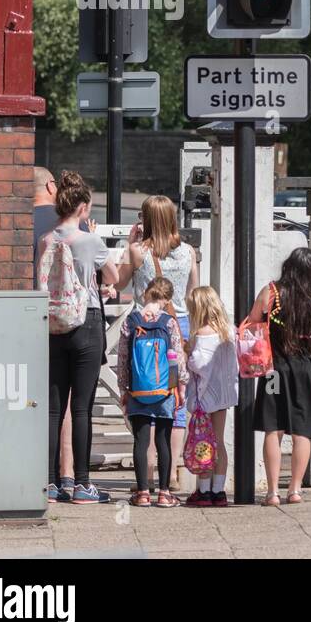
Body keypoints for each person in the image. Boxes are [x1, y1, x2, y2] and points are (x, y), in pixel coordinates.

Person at [41, 171, 118, 505]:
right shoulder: (91, 241)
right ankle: (83, 485)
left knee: (53, 410)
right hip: (86, 322)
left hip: (53, 325)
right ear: (84, 208)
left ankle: (49, 484)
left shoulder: (47, 239)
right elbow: (114, 278)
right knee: (82, 407)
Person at [115, 195, 198, 489]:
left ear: (147, 220)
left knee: (146, 397)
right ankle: (172, 471)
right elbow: (192, 292)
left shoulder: (139, 252)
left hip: (146, 332)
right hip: (179, 326)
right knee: (174, 400)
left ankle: (146, 474)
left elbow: (119, 284)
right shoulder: (188, 251)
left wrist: (128, 245)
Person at [246, 247, 311, 505]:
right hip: (304, 371)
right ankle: (294, 490)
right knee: (301, 430)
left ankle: (272, 492)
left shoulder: (271, 293)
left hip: (273, 370)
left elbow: (251, 323)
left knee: (273, 427)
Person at [33, 165, 94, 499]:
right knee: (76, 405)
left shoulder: (25, 222)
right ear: (51, 185)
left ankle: (47, 480)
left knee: (49, 404)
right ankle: (71, 475)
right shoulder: (74, 224)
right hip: (76, 319)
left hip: (39, 320)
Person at [117, 277, 188, 507]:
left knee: (140, 440)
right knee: (163, 440)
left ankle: (143, 494)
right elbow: (176, 358)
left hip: (138, 390)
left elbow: (123, 358)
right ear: (167, 300)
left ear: (146, 293)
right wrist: (179, 387)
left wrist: (124, 389)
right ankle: (165, 494)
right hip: (164, 389)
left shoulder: (131, 321)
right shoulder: (168, 323)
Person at [183, 285, 239, 507]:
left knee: (203, 443)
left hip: (203, 398)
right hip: (223, 396)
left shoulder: (199, 336)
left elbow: (198, 364)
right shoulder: (229, 332)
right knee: (219, 441)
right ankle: (219, 490)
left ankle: (204, 491)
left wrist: (187, 355)